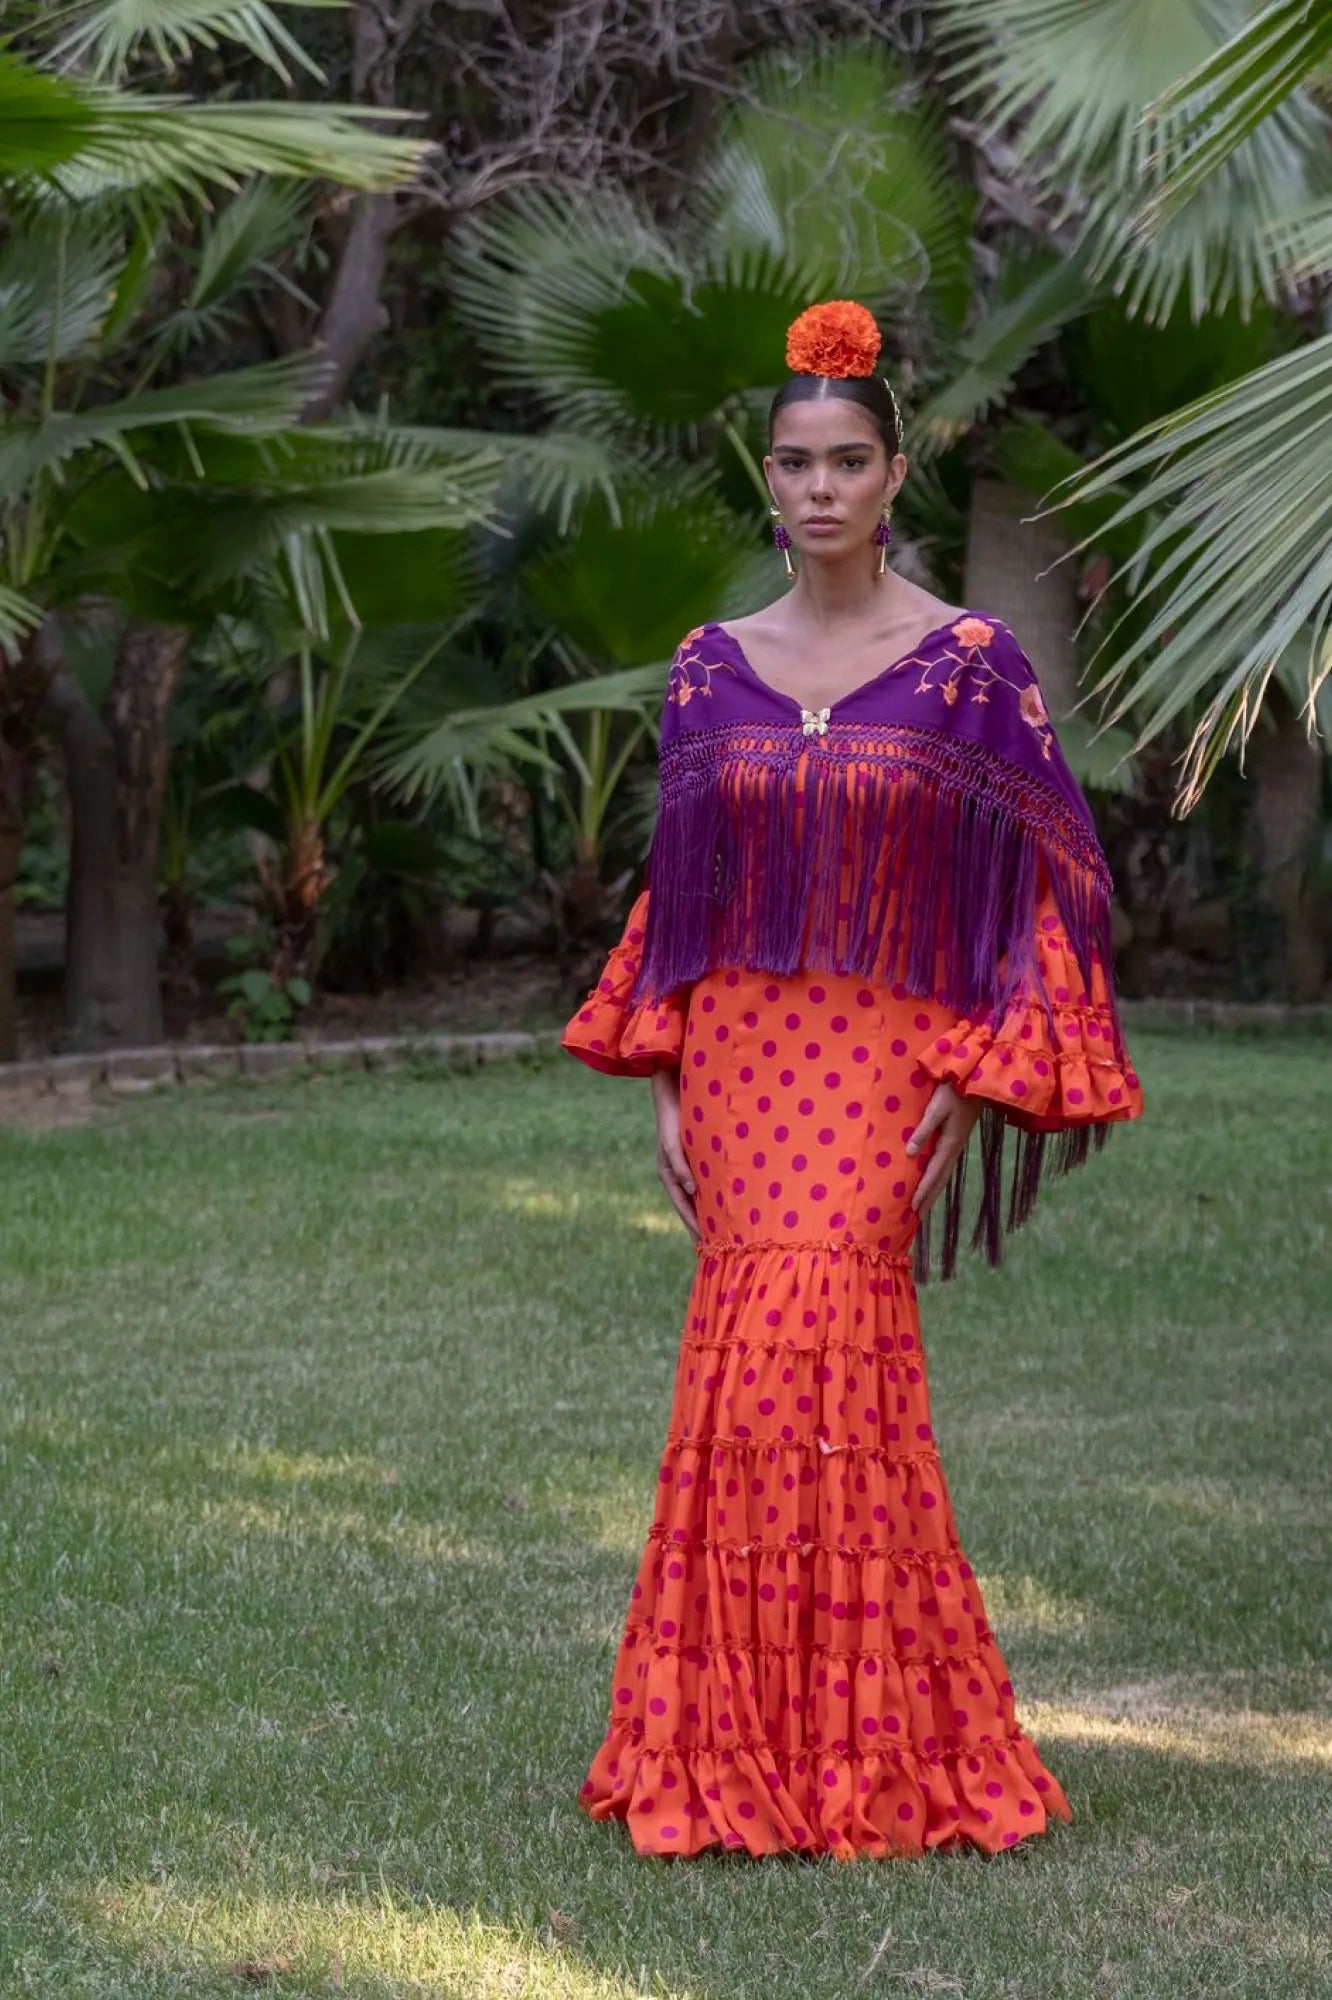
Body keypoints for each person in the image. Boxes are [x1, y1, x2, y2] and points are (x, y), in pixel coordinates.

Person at [560, 299, 1144, 1861]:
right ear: (768, 481)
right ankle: (717, 1733)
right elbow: (683, 887)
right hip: (746, 1053)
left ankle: (882, 1741)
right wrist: (663, 1070)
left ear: (896, 479)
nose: (819, 488)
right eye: (794, 463)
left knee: (831, 1355)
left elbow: (1052, 874)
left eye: (848, 462)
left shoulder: (967, 662)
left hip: (878, 1057)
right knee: (741, 1375)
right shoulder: (710, 665)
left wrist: (976, 1062)